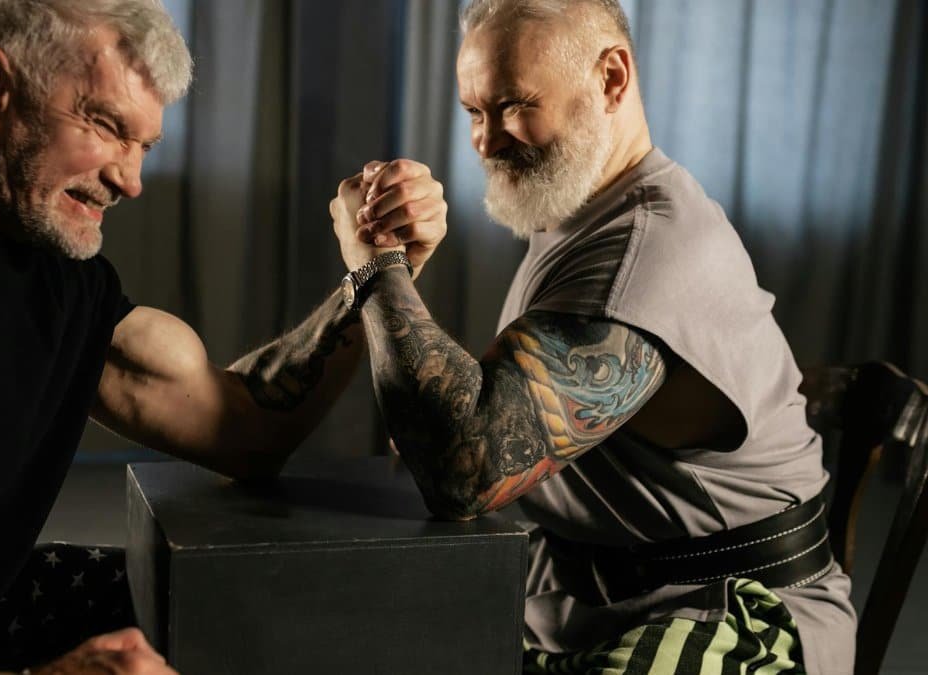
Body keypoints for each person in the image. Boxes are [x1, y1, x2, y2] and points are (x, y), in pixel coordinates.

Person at [0, 1, 447, 673]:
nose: (131, 181)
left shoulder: (65, 282)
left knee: (236, 601)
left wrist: (379, 268)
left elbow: (246, 423)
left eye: (144, 143)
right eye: (105, 125)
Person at [330, 0, 856, 672]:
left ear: (612, 78)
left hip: (729, 610)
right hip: (586, 607)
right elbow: (461, 430)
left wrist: (378, 264)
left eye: (516, 104)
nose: (486, 141)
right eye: (475, 111)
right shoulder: (580, 210)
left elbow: (466, 470)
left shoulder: (646, 247)